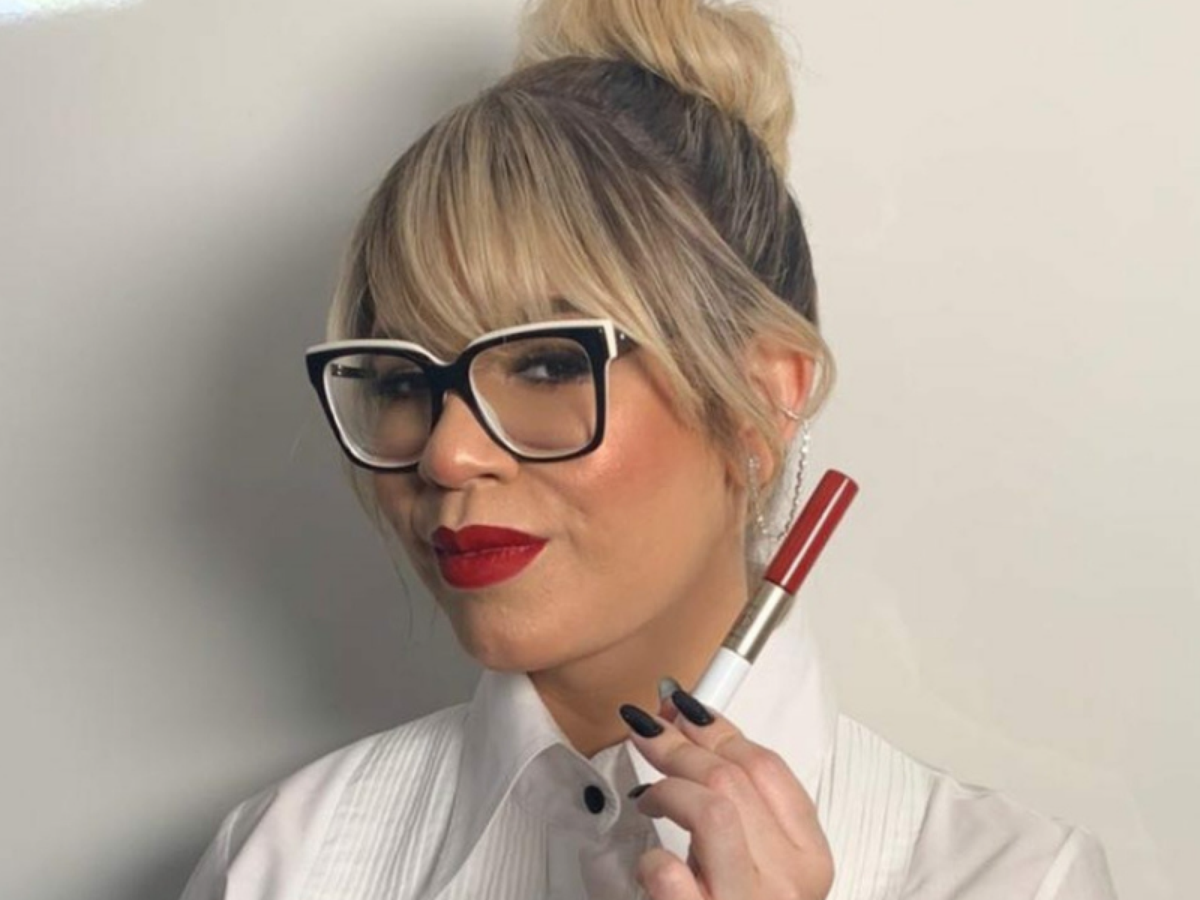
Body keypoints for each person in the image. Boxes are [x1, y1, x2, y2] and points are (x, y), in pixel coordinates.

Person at [179, 0, 1120, 897]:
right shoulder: (283, 864)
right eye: (400, 381)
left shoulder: (1012, 882)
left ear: (762, 401)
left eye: (547, 365)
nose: (447, 455)